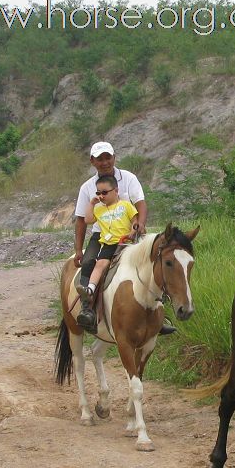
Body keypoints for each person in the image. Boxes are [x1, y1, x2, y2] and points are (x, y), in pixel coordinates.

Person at [73, 141, 175, 334]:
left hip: (130, 232)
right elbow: (81, 220)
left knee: (155, 264)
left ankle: (161, 314)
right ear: (92, 161)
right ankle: (88, 310)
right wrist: (78, 249)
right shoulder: (87, 188)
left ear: (114, 157)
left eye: (107, 157)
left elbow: (140, 204)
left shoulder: (128, 178)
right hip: (102, 234)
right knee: (88, 262)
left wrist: (140, 224)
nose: (104, 162)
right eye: (100, 159)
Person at [76, 175, 138, 330]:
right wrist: (92, 203)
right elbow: (88, 220)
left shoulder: (126, 205)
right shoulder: (99, 209)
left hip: (125, 242)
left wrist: (132, 231)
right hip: (108, 243)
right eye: (98, 193)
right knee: (100, 264)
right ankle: (89, 289)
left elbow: (135, 220)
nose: (101, 196)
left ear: (116, 191)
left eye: (104, 192)